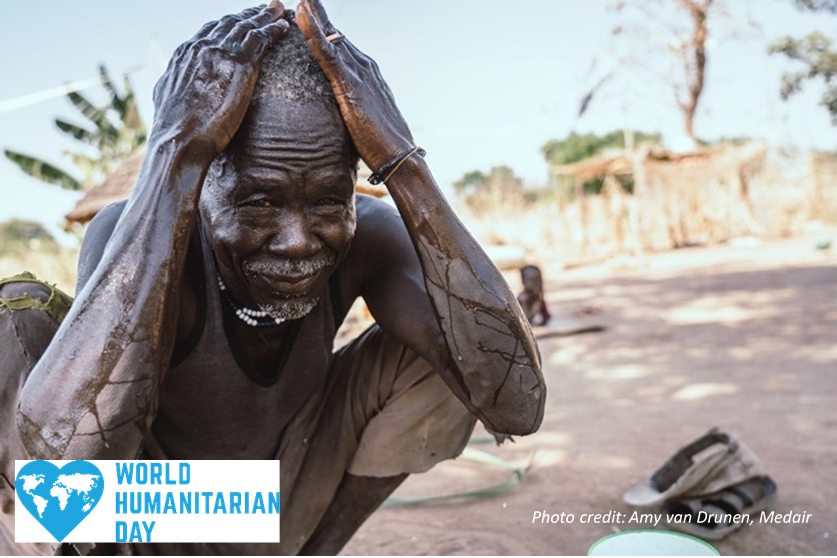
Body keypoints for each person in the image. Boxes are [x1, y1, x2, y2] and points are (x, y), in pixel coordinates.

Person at [0, 1, 546, 554]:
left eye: (330, 200)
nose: (298, 240)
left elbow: (517, 406)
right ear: (203, 184)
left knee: (462, 335)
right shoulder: (136, 234)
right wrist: (172, 154)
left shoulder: (371, 235)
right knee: (16, 313)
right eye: (259, 201)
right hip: (142, 518)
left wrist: (404, 161)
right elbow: (62, 491)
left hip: (277, 505)